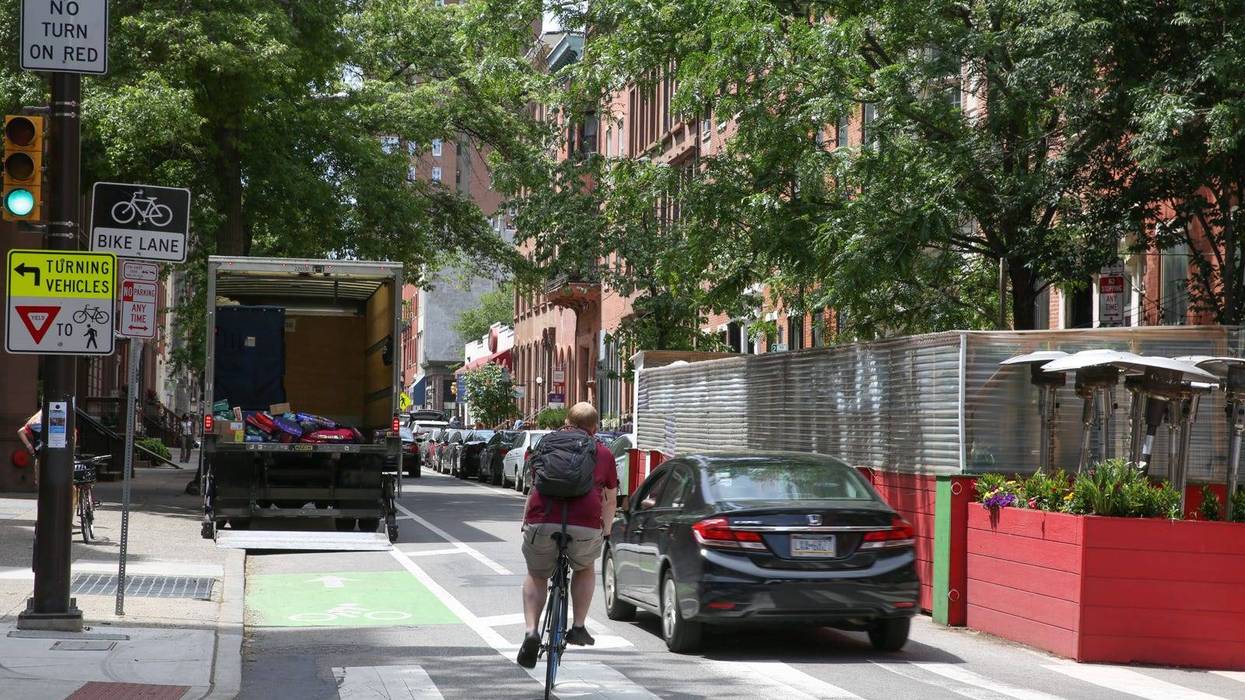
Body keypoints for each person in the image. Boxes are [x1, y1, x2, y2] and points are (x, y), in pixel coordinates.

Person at [516, 402, 618, 668]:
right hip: (585, 523)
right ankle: (579, 626)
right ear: (595, 428)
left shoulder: (546, 444)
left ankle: (531, 632)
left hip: (542, 519)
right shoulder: (603, 453)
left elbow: (534, 486)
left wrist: (526, 519)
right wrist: (605, 531)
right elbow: (609, 501)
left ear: (566, 420)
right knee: (585, 567)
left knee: (537, 574)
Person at [17, 409, 42, 487]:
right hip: (56, 455)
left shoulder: (34, 420)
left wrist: (29, 446)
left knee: (40, 481)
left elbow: (20, 431)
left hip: (39, 453)